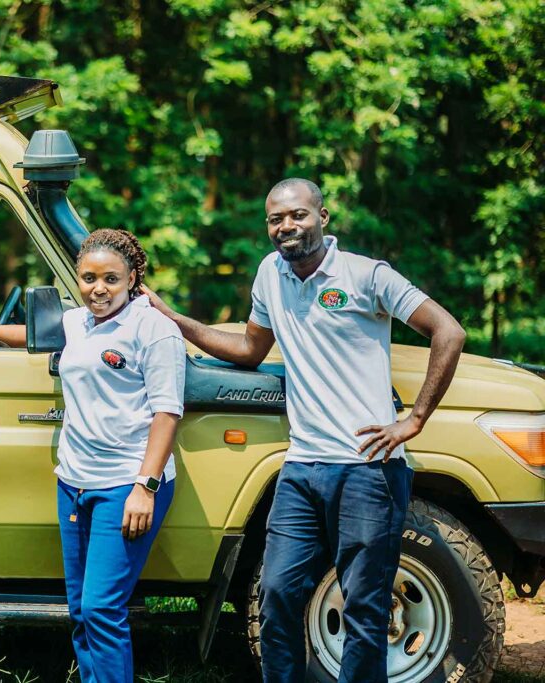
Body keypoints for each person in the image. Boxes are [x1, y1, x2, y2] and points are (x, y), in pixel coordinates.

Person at [143, 178, 466, 683]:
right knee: (276, 595)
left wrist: (414, 420)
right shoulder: (271, 274)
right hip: (301, 468)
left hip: (367, 470)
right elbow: (250, 349)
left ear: (322, 217)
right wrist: (176, 319)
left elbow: (449, 330)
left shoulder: (366, 275)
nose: (287, 226)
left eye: (298, 215)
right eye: (276, 218)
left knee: (364, 608)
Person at [0, 229, 186, 683]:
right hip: (74, 481)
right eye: (88, 278)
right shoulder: (79, 321)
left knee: (103, 609)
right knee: (81, 611)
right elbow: (29, 333)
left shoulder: (154, 329)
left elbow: (168, 410)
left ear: (133, 278)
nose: (98, 289)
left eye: (110, 279)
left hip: (126, 483)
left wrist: (146, 486)